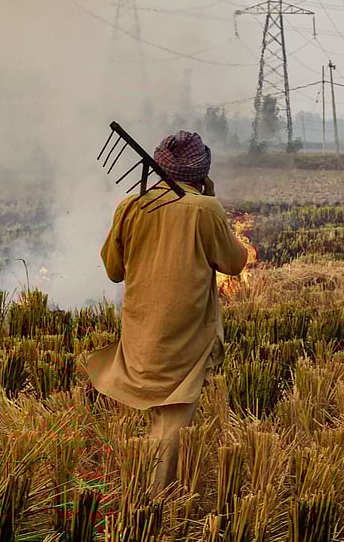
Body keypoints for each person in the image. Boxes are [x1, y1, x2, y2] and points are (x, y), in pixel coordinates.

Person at [86, 130, 249, 497]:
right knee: (173, 414)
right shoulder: (205, 209)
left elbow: (114, 270)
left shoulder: (131, 206)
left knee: (149, 401)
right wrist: (209, 202)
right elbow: (234, 262)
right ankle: (152, 502)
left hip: (141, 327)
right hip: (187, 330)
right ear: (200, 173)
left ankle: (132, 480)